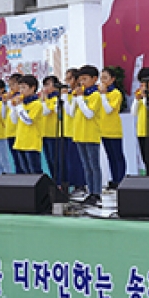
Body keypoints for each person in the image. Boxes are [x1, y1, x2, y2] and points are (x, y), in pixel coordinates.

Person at [71, 65, 102, 206]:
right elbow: (71, 112)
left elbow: (89, 114)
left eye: (85, 79)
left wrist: (80, 99)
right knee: (86, 166)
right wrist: (73, 98)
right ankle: (90, 192)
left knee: (94, 165)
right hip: (79, 134)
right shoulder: (81, 96)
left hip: (91, 134)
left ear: (94, 79)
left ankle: (97, 193)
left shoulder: (95, 95)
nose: (82, 82)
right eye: (80, 79)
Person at [99, 67, 126, 190]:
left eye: (105, 78)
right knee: (110, 156)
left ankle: (120, 180)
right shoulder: (99, 94)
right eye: (101, 78)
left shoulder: (116, 93)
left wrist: (103, 95)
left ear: (113, 79)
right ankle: (114, 180)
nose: (103, 81)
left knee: (117, 156)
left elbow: (109, 109)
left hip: (114, 130)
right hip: (103, 129)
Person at [11, 75, 44, 174]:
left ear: (33, 88)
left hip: (31, 143)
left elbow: (28, 120)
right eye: (20, 87)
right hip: (20, 141)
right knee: (24, 171)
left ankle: (39, 190)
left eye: (24, 87)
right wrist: (13, 107)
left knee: (34, 170)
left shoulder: (36, 104)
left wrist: (19, 106)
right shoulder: (22, 104)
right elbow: (14, 120)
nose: (21, 90)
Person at [61, 68, 86, 196]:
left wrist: (65, 96)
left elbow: (70, 112)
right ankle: (71, 185)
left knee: (77, 161)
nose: (67, 82)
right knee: (69, 161)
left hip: (75, 131)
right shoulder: (70, 94)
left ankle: (80, 186)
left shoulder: (76, 94)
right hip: (66, 131)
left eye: (69, 79)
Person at [41, 75, 60, 179]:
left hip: (54, 134)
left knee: (55, 160)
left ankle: (59, 182)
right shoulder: (46, 99)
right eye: (44, 85)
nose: (46, 87)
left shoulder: (56, 98)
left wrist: (43, 100)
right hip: (45, 133)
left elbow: (46, 111)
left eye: (48, 84)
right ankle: (54, 180)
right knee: (49, 160)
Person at [4, 73, 23, 174]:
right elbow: (4, 115)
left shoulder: (21, 98)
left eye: (13, 85)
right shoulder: (10, 98)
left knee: (22, 161)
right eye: (9, 85)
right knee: (16, 160)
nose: (11, 88)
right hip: (9, 131)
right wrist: (6, 102)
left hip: (18, 132)